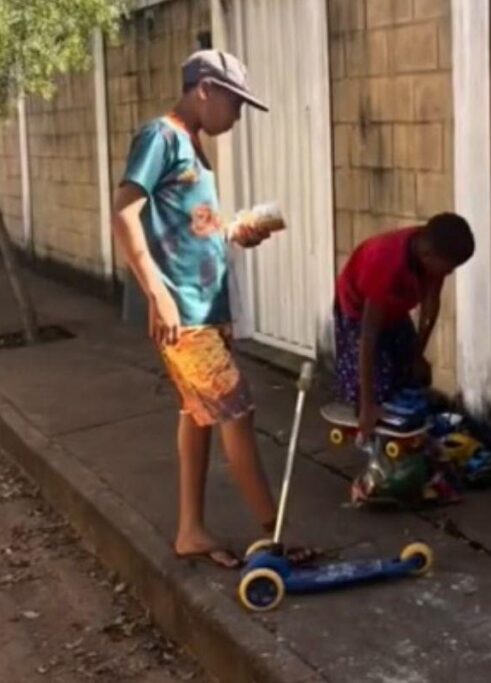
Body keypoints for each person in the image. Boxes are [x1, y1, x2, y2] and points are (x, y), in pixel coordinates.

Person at [111, 50, 310, 569]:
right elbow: (124, 213)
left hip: (208, 310)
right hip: (185, 316)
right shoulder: (160, 137)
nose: (238, 115)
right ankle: (274, 533)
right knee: (237, 411)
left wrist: (234, 231)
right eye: (234, 103)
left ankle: (190, 531)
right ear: (204, 89)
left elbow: (191, 227)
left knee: (198, 416)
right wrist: (157, 293)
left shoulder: (193, 147)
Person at [334, 213, 475, 437]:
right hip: (358, 311)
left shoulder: (432, 252)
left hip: (394, 308)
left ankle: (405, 426)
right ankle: (370, 424)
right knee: (379, 382)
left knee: (413, 374)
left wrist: (417, 354)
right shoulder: (385, 261)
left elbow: (430, 307)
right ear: (428, 256)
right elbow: (368, 338)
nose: (450, 273)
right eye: (449, 268)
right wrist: (368, 404)